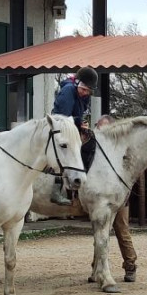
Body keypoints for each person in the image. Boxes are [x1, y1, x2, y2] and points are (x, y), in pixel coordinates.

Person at [96, 114, 138, 283]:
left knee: (121, 229)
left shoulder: (120, 149)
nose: (99, 131)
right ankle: (97, 266)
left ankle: (130, 265)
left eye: (102, 127)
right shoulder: (98, 147)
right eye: (97, 127)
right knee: (99, 230)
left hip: (118, 195)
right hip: (103, 195)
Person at [48, 66, 98, 204]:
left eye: (88, 91)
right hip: (60, 127)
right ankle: (56, 189)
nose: (85, 93)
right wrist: (79, 122)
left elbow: (79, 115)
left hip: (72, 127)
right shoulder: (68, 91)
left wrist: (82, 124)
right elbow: (63, 117)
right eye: (83, 89)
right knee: (66, 151)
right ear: (77, 83)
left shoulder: (84, 96)